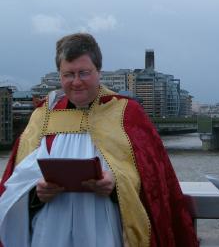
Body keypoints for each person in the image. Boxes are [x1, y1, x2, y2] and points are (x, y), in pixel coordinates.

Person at [0, 33, 198, 247]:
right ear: (60, 75)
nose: (76, 82)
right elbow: (14, 185)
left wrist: (115, 187)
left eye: (84, 73)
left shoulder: (127, 114)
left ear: (98, 72)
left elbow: (155, 186)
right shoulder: (43, 116)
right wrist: (36, 195)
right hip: (48, 232)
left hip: (105, 230)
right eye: (68, 74)